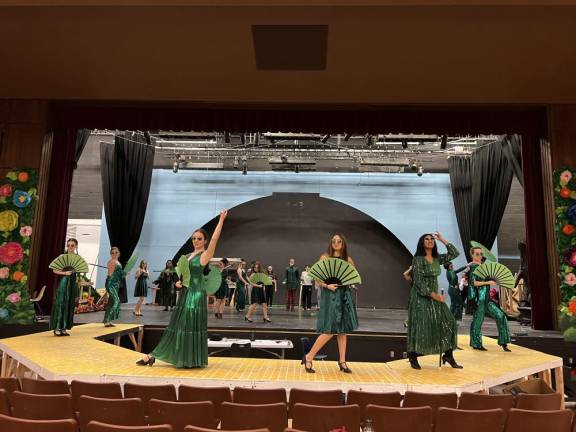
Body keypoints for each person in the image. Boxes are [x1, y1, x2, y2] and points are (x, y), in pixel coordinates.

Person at [137, 209, 228, 368]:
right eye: (194, 238)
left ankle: (169, 357)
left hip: (196, 294)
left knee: (186, 325)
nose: (196, 241)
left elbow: (215, 239)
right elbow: (184, 276)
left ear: (204, 241)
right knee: (178, 325)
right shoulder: (187, 256)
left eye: (199, 239)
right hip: (186, 292)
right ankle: (172, 356)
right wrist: (179, 283)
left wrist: (221, 220)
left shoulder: (204, 255)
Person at [303, 234, 358, 374]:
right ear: (331, 243)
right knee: (330, 330)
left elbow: (351, 277)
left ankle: (342, 361)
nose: (336, 243)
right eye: (334, 241)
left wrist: (350, 283)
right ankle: (309, 356)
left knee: (343, 330)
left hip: (344, 295)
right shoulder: (325, 258)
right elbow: (316, 276)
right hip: (330, 295)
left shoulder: (348, 260)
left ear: (343, 243)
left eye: (339, 241)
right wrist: (327, 286)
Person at [406, 232, 462, 370]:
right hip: (420, 297)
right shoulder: (418, 259)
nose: (430, 241)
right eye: (427, 239)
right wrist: (435, 296)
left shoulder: (438, 258)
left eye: (432, 239)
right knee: (421, 326)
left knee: (450, 322)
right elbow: (418, 282)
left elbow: (455, 253)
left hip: (434, 296)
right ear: (422, 242)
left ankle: (448, 355)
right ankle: (413, 355)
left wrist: (442, 239)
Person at [467, 247, 511, 352]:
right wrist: (488, 282)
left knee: (500, 315)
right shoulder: (473, 267)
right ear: (472, 255)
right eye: (477, 254)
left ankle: (503, 341)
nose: (480, 256)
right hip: (480, 300)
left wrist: (491, 280)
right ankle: (476, 343)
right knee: (478, 321)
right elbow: (474, 283)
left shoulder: (481, 267)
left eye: (481, 254)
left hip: (486, 298)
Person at [49, 238, 80, 336]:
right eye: (68, 245)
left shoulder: (77, 258)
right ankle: (57, 327)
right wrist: (65, 273)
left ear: (76, 246)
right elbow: (54, 270)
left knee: (69, 304)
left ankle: (64, 328)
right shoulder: (62, 256)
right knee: (61, 303)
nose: (70, 247)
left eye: (72, 245)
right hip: (64, 282)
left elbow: (79, 269)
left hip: (72, 283)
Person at [103, 246, 123, 327]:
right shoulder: (112, 262)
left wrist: (122, 274)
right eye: (112, 253)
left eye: (116, 252)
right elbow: (111, 275)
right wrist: (122, 274)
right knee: (116, 301)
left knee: (111, 302)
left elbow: (117, 274)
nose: (114, 254)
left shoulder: (117, 262)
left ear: (119, 253)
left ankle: (107, 321)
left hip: (115, 284)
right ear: (110, 254)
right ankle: (107, 319)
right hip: (111, 283)